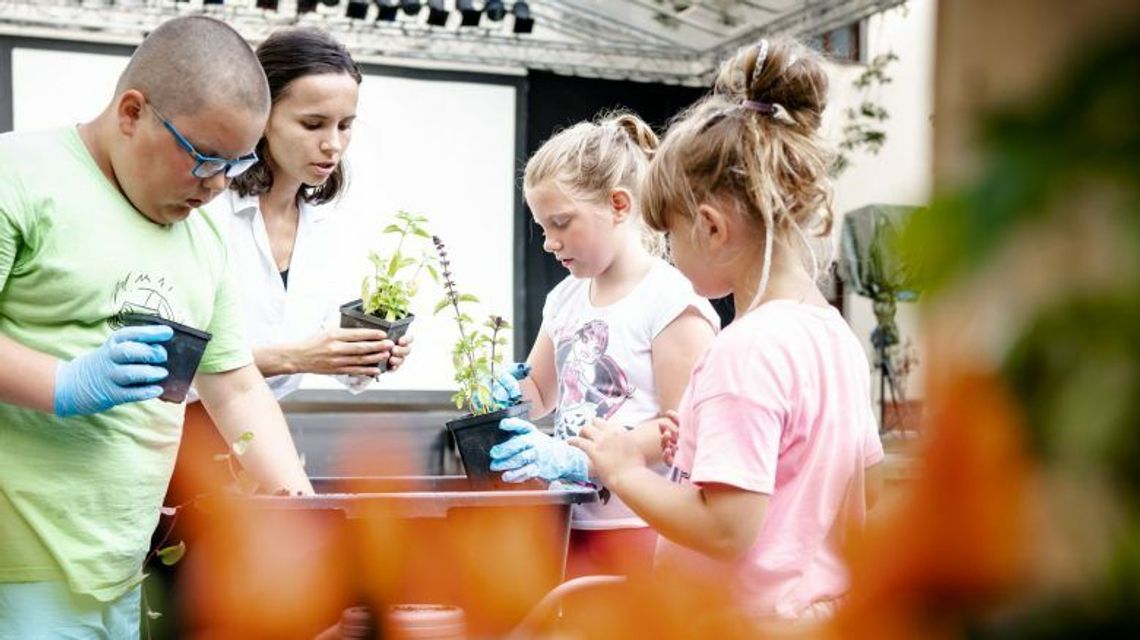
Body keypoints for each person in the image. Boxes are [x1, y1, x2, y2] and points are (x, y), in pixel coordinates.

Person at [0, 16, 311, 637]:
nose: (217, 186)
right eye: (203, 158)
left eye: (237, 163)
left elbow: (235, 386)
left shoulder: (203, 235)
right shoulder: (18, 175)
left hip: (122, 568)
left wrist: (305, 509)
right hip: (18, 570)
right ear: (132, 112)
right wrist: (64, 383)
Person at [569, 38, 885, 622]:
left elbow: (726, 530)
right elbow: (856, 497)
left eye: (671, 236)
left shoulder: (745, 349)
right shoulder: (836, 337)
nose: (668, 253)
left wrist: (624, 471)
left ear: (712, 228)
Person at [169, 28, 412, 505]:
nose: (333, 144)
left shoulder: (326, 229)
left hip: (262, 443)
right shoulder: (206, 214)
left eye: (345, 125)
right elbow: (171, 364)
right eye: (313, 124)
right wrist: (295, 357)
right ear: (261, 115)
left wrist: (365, 356)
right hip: (174, 444)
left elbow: (322, 353)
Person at [486, 111, 720, 579]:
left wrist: (587, 459)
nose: (549, 243)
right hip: (570, 518)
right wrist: (507, 395)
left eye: (561, 223)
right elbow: (540, 393)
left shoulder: (670, 300)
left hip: (640, 525)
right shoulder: (565, 298)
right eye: (543, 228)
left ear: (618, 205)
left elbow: (682, 429)